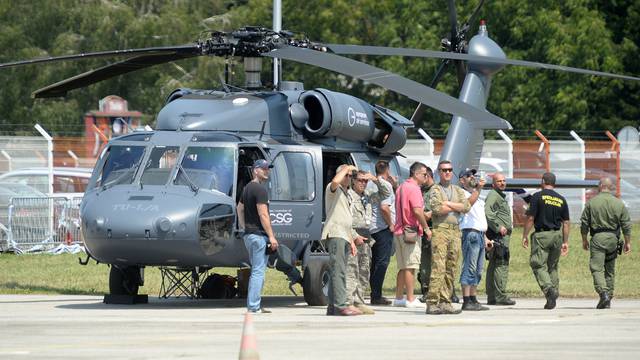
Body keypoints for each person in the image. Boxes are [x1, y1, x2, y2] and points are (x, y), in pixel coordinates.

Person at [426, 160, 474, 315]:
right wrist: (455, 205)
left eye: (449, 170)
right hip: (441, 230)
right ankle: (433, 302)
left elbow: (466, 207)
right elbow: (437, 208)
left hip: (455, 231)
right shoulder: (435, 189)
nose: (447, 172)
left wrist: (448, 203)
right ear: (439, 172)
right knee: (438, 267)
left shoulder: (457, 190)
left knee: (451, 267)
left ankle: (446, 301)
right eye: (444, 170)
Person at [580, 177, 632, 309]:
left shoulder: (592, 203)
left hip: (598, 238)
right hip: (613, 239)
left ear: (600, 186)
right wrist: (627, 242)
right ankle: (608, 296)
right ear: (610, 187)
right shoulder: (619, 203)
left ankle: (603, 294)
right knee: (610, 269)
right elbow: (626, 224)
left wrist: (584, 239)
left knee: (596, 268)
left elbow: (584, 223)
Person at [522, 172, 570, 310]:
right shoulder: (561, 199)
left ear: (543, 181)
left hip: (542, 236)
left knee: (538, 264)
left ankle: (549, 290)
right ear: (554, 183)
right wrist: (565, 242)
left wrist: (525, 235)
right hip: (557, 236)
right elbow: (566, 223)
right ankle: (552, 297)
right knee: (552, 266)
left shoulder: (537, 196)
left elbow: (530, 218)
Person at [236, 159, 278, 313]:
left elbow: (239, 208)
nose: (267, 171)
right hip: (259, 236)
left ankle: (255, 304)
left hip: (249, 235)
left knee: (256, 270)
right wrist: (272, 237)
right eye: (264, 168)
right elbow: (263, 215)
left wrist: (243, 226)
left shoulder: (247, 188)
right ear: (255, 170)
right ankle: (253, 306)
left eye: (268, 168)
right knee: (258, 271)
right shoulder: (260, 190)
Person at [322, 164, 364, 316]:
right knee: (338, 271)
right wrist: (346, 168)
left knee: (338, 271)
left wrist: (353, 239)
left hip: (344, 235)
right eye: (346, 175)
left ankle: (333, 306)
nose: (349, 178)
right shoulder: (332, 188)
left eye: (350, 176)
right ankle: (340, 305)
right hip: (336, 233)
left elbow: (346, 219)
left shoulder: (346, 193)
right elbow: (335, 182)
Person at [346, 170, 390, 313]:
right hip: (352, 235)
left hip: (366, 237)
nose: (363, 183)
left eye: (365, 181)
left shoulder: (369, 196)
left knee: (364, 271)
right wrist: (353, 236)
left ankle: (359, 301)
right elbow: (344, 219)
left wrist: (375, 179)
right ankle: (348, 301)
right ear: (353, 180)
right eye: (360, 180)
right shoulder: (347, 196)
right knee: (351, 270)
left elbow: (387, 193)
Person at [392, 162, 431, 308]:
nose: (426, 177)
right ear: (416, 174)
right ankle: (410, 298)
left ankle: (398, 297)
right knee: (411, 266)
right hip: (411, 232)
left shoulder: (401, 187)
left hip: (399, 231)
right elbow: (416, 211)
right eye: (424, 174)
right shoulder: (414, 188)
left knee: (402, 266)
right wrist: (426, 228)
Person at [457, 168, 489, 311]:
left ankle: (473, 298)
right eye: (468, 175)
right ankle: (466, 299)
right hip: (470, 233)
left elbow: (479, 219)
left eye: (473, 175)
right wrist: (479, 189)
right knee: (469, 267)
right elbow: (467, 205)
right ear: (462, 180)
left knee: (478, 269)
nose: (472, 177)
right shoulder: (461, 193)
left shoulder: (477, 194)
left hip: (480, 234)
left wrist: (486, 237)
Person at [484, 172, 516, 306]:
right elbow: (488, 212)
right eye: (499, 181)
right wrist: (498, 227)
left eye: (503, 181)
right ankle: (500, 295)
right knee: (501, 264)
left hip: (500, 236)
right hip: (499, 236)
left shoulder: (498, 196)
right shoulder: (493, 196)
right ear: (493, 184)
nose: (502, 183)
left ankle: (492, 296)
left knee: (494, 264)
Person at [368, 160, 396, 305]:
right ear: (388, 170)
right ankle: (376, 295)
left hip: (372, 228)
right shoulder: (386, 185)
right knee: (382, 262)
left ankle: (375, 293)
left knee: (375, 263)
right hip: (382, 228)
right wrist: (391, 224)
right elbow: (385, 208)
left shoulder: (372, 184)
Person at [418, 166, 435, 303]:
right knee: (424, 262)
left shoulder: (435, 191)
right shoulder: (422, 191)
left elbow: (428, 214)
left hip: (432, 230)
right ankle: (426, 288)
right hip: (423, 231)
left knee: (430, 262)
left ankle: (430, 289)